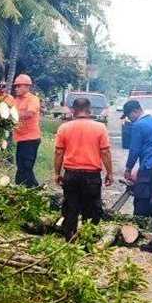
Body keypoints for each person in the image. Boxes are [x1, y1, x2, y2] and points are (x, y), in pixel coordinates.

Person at [53, 97, 114, 240]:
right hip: (91, 176)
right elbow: (105, 152)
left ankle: (69, 239)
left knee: (71, 208)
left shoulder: (64, 128)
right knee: (92, 209)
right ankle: (87, 240)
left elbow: (59, 152)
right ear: (89, 110)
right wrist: (109, 173)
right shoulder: (100, 128)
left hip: (71, 174)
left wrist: (57, 173)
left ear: (73, 111)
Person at [121, 100, 152, 217]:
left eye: (129, 115)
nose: (129, 118)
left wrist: (128, 169)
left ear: (136, 111)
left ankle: (140, 221)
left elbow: (134, 150)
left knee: (142, 195)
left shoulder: (138, 125)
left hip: (150, 163)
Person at [12, 74, 42, 187]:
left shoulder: (33, 99)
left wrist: (13, 114)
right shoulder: (15, 100)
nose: (16, 88)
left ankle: (25, 186)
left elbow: (29, 113)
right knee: (21, 165)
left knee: (26, 166)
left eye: (19, 86)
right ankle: (33, 187)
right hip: (20, 138)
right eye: (16, 86)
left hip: (31, 139)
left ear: (27, 87)